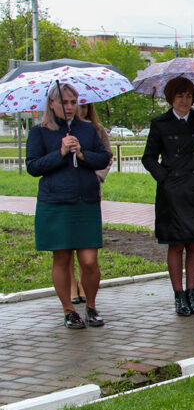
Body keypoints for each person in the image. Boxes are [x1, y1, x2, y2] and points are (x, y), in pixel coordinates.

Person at [26, 84, 112, 329]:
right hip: (55, 203)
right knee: (62, 258)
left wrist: (83, 154)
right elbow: (33, 166)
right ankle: (69, 310)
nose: (70, 107)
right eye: (64, 102)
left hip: (85, 201)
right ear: (51, 104)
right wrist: (62, 152)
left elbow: (104, 157)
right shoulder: (40, 132)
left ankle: (92, 307)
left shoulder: (87, 129)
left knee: (89, 260)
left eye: (74, 101)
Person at [141, 76, 194, 318]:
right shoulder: (160, 123)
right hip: (173, 194)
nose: (184, 101)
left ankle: (192, 294)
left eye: (188, 96)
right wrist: (165, 178)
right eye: (179, 96)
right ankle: (179, 295)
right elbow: (148, 157)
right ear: (171, 98)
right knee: (176, 244)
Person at [68, 103, 113, 306]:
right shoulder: (59, 130)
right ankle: (71, 286)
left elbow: (107, 156)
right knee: (67, 243)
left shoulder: (97, 129)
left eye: (85, 107)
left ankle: (84, 285)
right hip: (66, 192)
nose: (80, 111)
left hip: (89, 190)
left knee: (87, 247)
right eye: (78, 106)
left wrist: (97, 176)